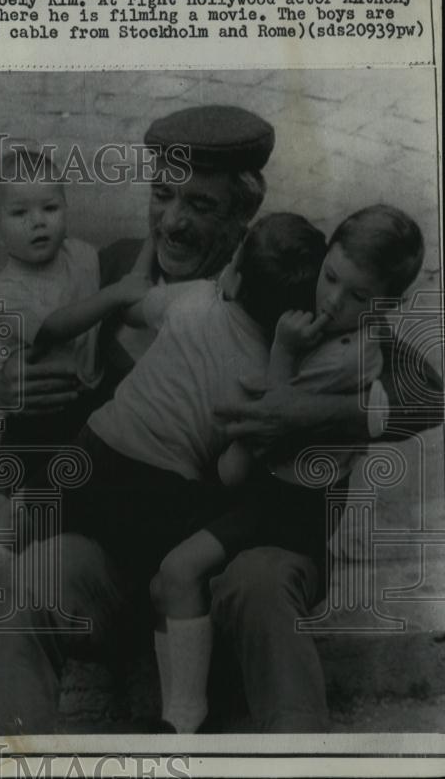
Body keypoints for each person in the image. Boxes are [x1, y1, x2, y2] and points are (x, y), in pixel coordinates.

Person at [0, 105, 443, 734]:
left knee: (263, 582)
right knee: (31, 581)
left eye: (199, 204)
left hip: (232, 560)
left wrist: (302, 412)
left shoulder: (293, 285)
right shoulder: (109, 269)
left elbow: (426, 392)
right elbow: (35, 356)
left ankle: (302, 757)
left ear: (244, 217)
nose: (172, 221)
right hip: (118, 553)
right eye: (162, 195)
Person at [151, 206, 424, 733]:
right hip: (273, 496)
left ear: (387, 306)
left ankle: (184, 719)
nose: (333, 301)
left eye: (358, 296)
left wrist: (279, 350)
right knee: (170, 577)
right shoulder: (336, 325)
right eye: (330, 276)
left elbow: (264, 423)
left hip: (286, 508)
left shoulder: (344, 357)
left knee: (179, 570)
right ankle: (184, 713)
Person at [0, 146, 153, 488]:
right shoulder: (6, 290)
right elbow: (52, 328)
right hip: (36, 419)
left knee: (86, 487)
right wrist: (117, 293)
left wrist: (155, 235)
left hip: (87, 403)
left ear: (66, 208)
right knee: (31, 497)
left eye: (50, 208)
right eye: (19, 212)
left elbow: (133, 280)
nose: (38, 221)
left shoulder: (83, 254)